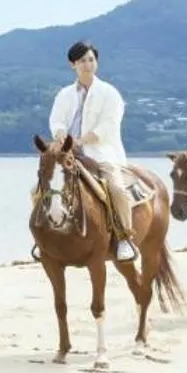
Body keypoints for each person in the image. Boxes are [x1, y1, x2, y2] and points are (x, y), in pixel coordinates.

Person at [48, 40, 137, 262]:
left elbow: (108, 126)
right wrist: (63, 138)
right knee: (42, 184)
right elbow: (56, 121)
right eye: (82, 61)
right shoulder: (64, 94)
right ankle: (45, 236)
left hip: (101, 152)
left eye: (91, 60)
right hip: (68, 151)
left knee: (116, 188)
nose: (87, 64)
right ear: (72, 64)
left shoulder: (110, 93)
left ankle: (125, 237)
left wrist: (81, 140)